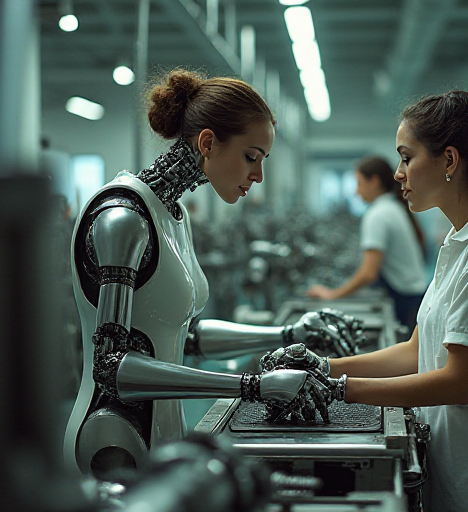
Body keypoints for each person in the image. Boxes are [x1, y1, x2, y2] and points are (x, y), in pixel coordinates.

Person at [64, 69, 361, 478]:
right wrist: (253, 386)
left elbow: (184, 336)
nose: (258, 176)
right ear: (207, 142)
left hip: (166, 432)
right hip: (116, 438)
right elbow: (111, 367)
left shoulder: (173, 214)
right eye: (251, 157)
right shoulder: (124, 217)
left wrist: (289, 334)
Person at [274, 90, 468, 511]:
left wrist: (336, 390)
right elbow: (416, 351)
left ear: (450, 161)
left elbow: (458, 382)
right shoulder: (460, 239)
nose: (398, 174)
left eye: (407, 157)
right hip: (452, 446)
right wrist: (323, 366)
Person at [305, 155, 428, 332]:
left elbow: (369, 273)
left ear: (374, 182)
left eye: (359, 183)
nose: (356, 191)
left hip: (407, 301)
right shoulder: (392, 207)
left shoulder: (378, 214)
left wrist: (332, 294)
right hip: (415, 295)